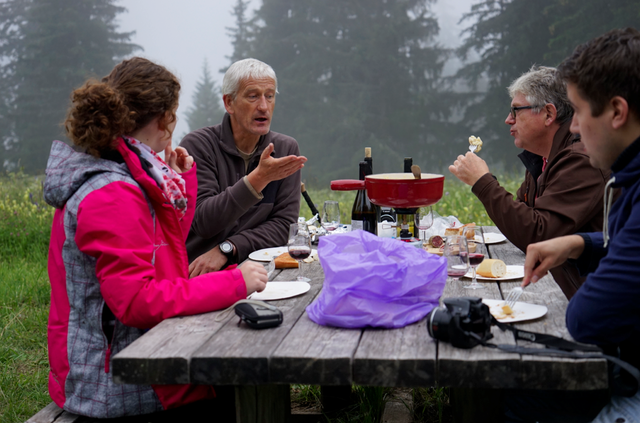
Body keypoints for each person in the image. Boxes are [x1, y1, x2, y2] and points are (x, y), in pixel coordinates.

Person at [44, 57, 268, 419]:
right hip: (113, 381)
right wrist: (233, 283)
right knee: (241, 392)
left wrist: (184, 184)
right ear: (164, 118)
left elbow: (158, 252)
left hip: (121, 358)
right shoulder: (112, 192)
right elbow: (136, 301)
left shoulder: (114, 169)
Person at [520, 28, 640, 422]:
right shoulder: (628, 177)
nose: (573, 128)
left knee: (522, 402)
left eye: (581, 112)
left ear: (617, 112)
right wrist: (580, 244)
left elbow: (586, 318)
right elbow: (622, 245)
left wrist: (483, 182)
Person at [449, 65, 612, 299]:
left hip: (597, 302)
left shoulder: (581, 160)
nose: (508, 120)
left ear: (548, 114)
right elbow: (523, 221)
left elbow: (538, 235)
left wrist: (482, 182)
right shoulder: (543, 158)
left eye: (516, 111)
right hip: (569, 290)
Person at [180, 58, 307, 277]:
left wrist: (228, 248)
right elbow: (203, 222)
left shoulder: (285, 148)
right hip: (199, 275)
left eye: (269, 95)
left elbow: (284, 226)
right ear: (229, 103)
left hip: (264, 272)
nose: (264, 106)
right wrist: (257, 179)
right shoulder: (198, 145)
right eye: (253, 96)